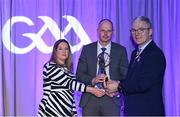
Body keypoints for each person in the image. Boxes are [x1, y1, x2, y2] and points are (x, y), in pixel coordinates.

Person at [106, 16, 166, 116]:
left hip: (148, 112)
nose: (137, 33)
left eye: (141, 29)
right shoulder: (135, 53)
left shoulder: (155, 54)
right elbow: (131, 81)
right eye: (133, 30)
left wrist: (119, 86)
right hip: (134, 112)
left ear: (150, 31)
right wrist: (118, 90)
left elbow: (143, 84)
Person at [38, 39, 105, 117]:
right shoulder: (50, 66)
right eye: (60, 49)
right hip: (51, 109)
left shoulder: (68, 70)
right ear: (55, 52)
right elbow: (69, 83)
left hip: (66, 112)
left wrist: (74, 112)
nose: (64, 51)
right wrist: (92, 90)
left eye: (66, 49)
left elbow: (70, 94)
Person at [76, 19, 129, 116]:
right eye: (103, 30)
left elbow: (126, 75)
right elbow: (79, 75)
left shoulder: (121, 50)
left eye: (109, 31)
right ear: (97, 31)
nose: (106, 34)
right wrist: (93, 80)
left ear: (113, 32)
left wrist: (117, 87)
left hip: (112, 98)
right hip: (90, 98)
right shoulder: (87, 49)